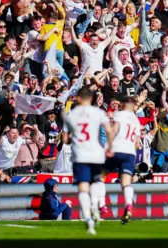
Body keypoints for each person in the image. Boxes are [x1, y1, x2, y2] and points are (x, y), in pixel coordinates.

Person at [62, 87, 114, 235]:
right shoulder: (98, 113)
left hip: (80, 155)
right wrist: (110, 148)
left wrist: (72, 138)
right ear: (91, 99)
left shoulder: (71, 115)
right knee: (97, 182)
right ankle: (95, 207)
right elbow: (109, 131)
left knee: (83, 187)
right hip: (96, 154)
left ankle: (88, 219)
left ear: (78, 98)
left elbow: (65, 140)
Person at [102, 97, 142, 224]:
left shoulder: (119, 114)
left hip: (117, 149)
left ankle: (102, 205)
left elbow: (113, 131)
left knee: (101, 176)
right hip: (129, 153)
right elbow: (137, 143)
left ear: (123, 105)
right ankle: (129, 205)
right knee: (126, 183)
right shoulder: (136, 120)